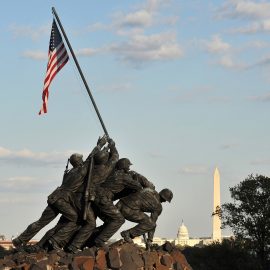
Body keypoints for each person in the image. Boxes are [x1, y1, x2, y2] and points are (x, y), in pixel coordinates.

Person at [12, 136, 107, 249]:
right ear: (79, 161)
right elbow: (90, 158)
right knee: (76, 219)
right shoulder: (80, 170)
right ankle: (55, 240)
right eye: (81, 159)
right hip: (63, 199)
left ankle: (19, 240)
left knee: (41, 222)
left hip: (54, 197)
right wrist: (99, 145)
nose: (82, 160)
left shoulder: (68, 173)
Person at [91, 158, 155, 248]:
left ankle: (91, 239)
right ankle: (99, 240)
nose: (129, 168)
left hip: (98, 197)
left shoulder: (113, 173)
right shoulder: (124, 177)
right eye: (128, 166)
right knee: (119, 220)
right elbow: (138, 186)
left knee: (109, 221)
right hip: (104, 198)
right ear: (123, 166)